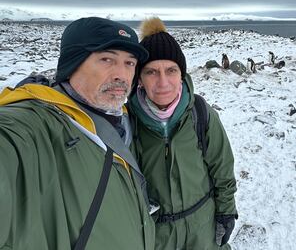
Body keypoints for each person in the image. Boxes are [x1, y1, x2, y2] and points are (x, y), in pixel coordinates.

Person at [0, 17, 155, 250]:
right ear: (73, 63)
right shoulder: (34, 125)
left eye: (129, 63)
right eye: (106, 59)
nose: (121, 75)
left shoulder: (121, 119)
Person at [128, 17, 238, 250]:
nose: (163, 82)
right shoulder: (128, 121)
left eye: (171, 70)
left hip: (203, 231)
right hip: (157, 237)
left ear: (182, 74)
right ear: (140, 78)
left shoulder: (200, 113)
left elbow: (222, 168)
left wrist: (226, 212)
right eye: (151, 72)